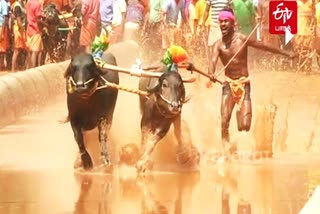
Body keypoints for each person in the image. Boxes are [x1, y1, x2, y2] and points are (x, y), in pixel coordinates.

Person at [206, 9, 295, 156]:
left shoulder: (242, 39)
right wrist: (211, 74)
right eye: (221, 21)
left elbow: (264, 46)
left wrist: (286, 53)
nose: (223, 24)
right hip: (228, 84)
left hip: (243, 83)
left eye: (226, 21)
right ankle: (226, 152)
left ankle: (239, 116)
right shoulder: (217, 45)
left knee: (244, 126)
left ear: (232, 23)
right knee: (224, 122)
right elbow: (213, 61)